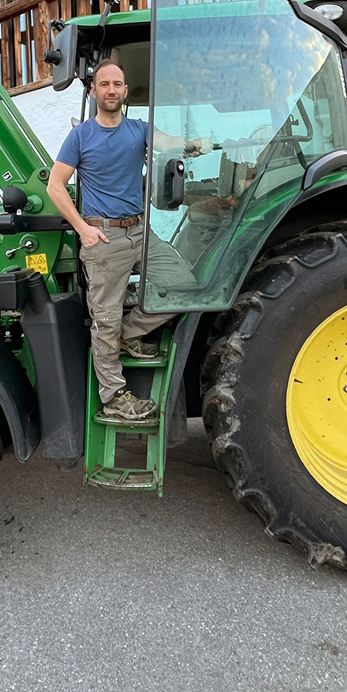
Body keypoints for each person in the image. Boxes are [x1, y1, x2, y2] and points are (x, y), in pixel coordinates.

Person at [47, 61, 210, 422]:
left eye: (117, 84)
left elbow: (167, 142)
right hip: (103, 237)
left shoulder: (139, 130)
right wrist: (83, 230)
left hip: (140, 232)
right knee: (104, 318)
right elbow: (55, 186)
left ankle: (130, 332)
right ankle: (114, 397)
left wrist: (193, 145)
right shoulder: (81, 137)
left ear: (124, 91)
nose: (111, 90)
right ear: (94, 91)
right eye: (104, 84)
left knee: (186, 285)